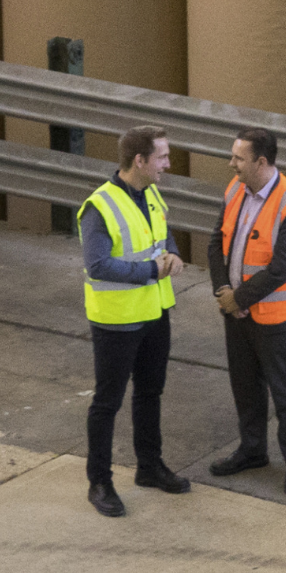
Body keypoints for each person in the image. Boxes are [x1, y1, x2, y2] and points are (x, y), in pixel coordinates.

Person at [79, 125, 192, 518]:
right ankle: (100, 482)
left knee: (150, 393)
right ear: (139, 161)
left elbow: (161, 237)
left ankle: (149, 467)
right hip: (117, 321)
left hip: (155, 312)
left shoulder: (152, 192)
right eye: (162, 157)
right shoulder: (100, 206)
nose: (168, 164)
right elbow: (97, 265)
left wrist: (173, 254)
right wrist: (149, 270)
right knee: (107, 403)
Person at [205, 128, 286, 495]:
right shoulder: (236, 189)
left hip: (274, 317)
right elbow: (215, 241)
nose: (231, 164)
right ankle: (252, 450)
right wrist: (223, 291)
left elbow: (283, 266)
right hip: (236, 311)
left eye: (238, 158)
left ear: (262, 162)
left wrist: (240, 299)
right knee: (245, 387)